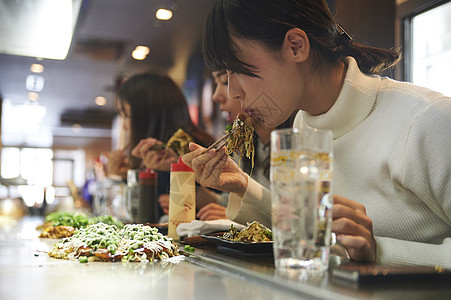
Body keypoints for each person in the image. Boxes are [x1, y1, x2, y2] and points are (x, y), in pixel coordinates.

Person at [182, 0, 451, 268]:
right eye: (227, 75)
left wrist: (378, 250)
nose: (232, 93)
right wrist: (242, 184)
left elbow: (351, 246)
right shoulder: (303, 125)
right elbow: (307, 227)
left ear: (295, 46)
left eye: (239, 70)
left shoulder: (427, 119)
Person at [107, 72, 215, 219]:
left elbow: (152, 217)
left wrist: (168, 170)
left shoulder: (193, 149)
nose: (125, 127)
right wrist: (129, 175)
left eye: (126, 116)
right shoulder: (153, 153)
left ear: (148, 116)